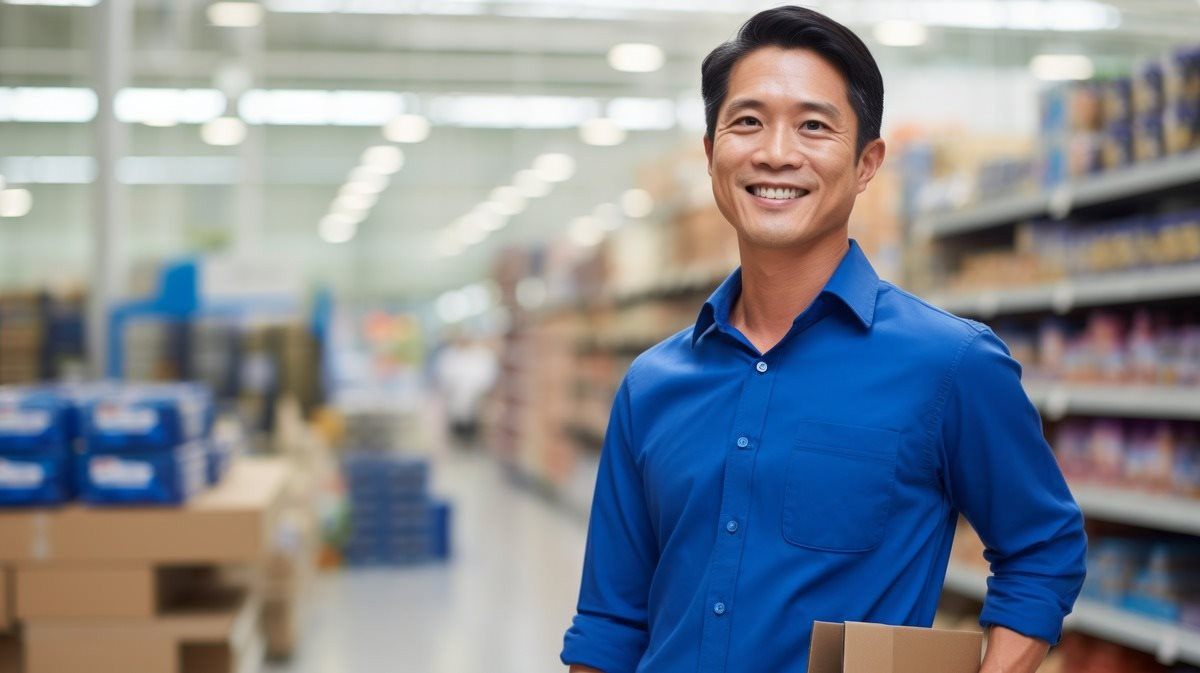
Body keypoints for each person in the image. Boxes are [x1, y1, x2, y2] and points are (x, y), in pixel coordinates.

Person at [561, 7, 1086, 673]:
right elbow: (609, 618)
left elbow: (1043, 548)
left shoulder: (949, 365)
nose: (776, 152)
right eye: (747, 121)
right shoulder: (651, 384)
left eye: (814, 125)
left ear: (867, 163)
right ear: (711, 153)